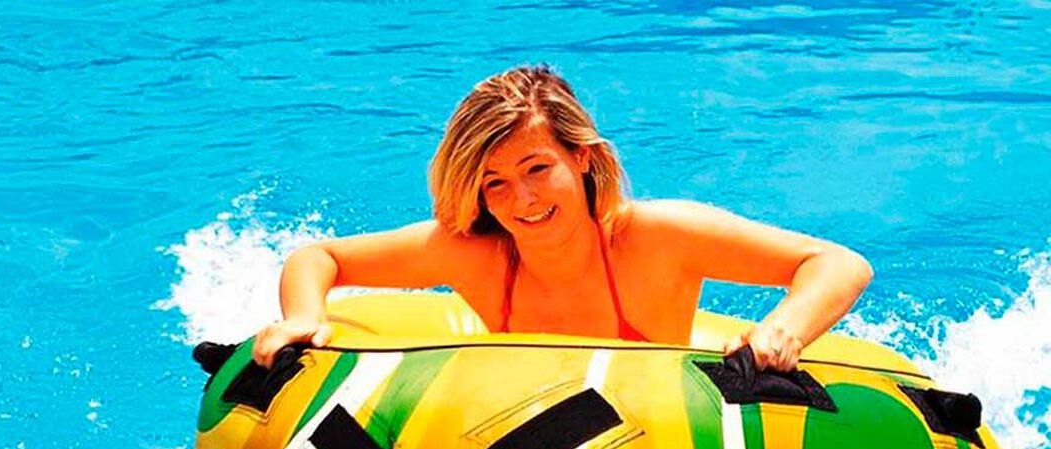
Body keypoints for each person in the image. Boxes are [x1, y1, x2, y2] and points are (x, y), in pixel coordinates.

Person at [252, 65, 872, 372]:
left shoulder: (659, 238)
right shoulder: (469, 253)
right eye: (494, 182)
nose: (522, 200)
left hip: (660, 444)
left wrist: (781, 330)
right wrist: (305, 317)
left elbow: (838, 263)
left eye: (537, 168)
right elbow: (318, 257)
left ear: (581, 157)